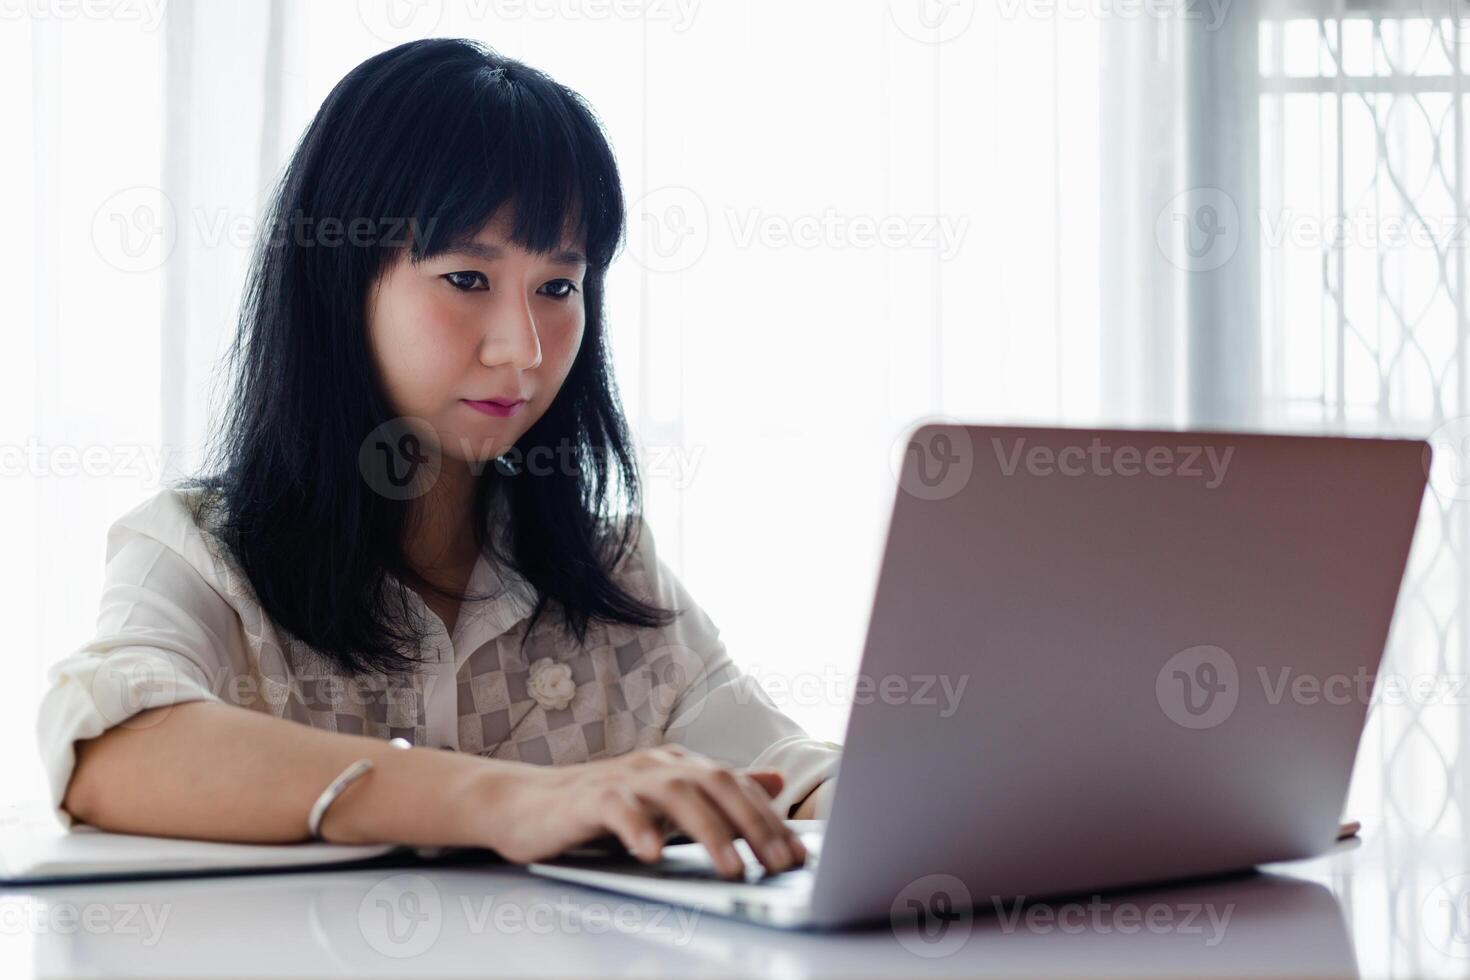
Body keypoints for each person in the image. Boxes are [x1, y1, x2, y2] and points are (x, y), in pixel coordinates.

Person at [38, 38, 839, 881]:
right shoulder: (200, 554)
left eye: (558, 288)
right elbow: (108, 746)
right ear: (338, 284)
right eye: (466, 278)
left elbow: (789, 774)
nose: (523, 348)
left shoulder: (614, 573)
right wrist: (512, 801)